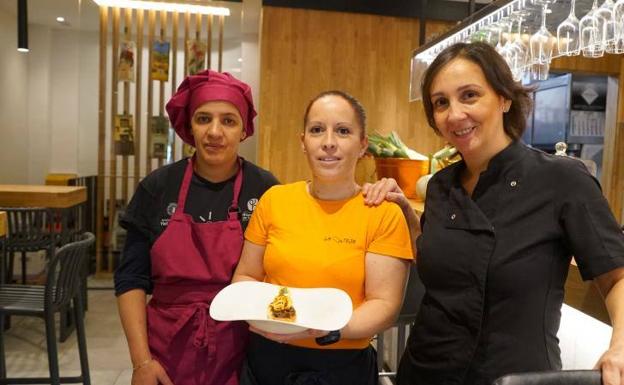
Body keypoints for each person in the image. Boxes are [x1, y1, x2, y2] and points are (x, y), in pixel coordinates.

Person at [363, 42, 624, 385]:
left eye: (469, 95)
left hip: (512, 376)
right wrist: (407, 217)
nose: (455, 114)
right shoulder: (440, 186)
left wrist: (619, 346)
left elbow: (615, 275)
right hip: (425, 371)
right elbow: (445, 264)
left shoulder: (562, 180)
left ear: (504, 98)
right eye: (441, 102)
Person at [232, 90, 413, 385]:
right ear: (303, 141)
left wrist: (323, 329)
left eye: (343, 131)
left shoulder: (381, 212)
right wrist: (260, 316)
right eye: (317, 130)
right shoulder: (275, 200)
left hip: (341, 364)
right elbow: (246, 275)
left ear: (362, 144)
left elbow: (383, 304)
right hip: (268, 356)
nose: (329, 142)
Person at [114, 70, 279, 385]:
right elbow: (130, 279)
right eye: (204, 119)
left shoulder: (266, 189)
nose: (215, 132)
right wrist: (141, 362)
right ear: (189, 125)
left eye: (228, 121)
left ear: (244, 129)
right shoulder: (158, 187)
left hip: (245, 350)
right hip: (167, 350)